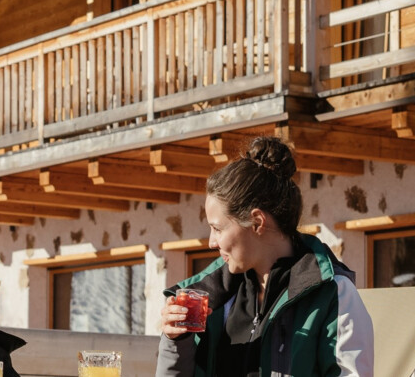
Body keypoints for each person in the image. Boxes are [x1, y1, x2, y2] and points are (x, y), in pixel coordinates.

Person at [157, 137, 373, 377]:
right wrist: (176, 341)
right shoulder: (212, 296)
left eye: (218, 228)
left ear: (257, 222)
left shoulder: (334, 295)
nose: (211, 242)